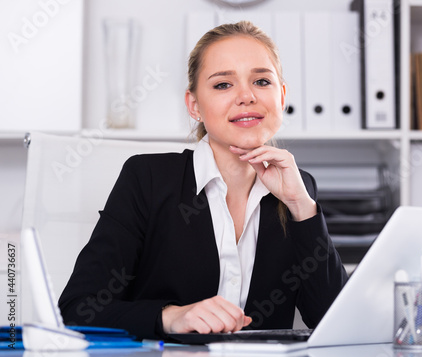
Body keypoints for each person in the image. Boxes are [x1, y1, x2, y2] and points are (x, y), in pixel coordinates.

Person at [59, 20, 348, 340]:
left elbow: (335, 321)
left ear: (281, 96)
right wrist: (170, 316)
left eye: (262, 81)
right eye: (223, 84)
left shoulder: (298, 188)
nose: (247, 96)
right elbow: (77, 309)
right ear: (194, 105)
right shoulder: (148, 179)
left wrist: (302, 208)